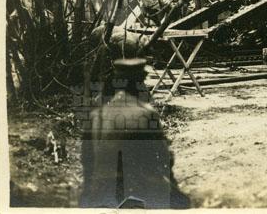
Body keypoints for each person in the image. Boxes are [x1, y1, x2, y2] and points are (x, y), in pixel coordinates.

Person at [80, 58, 190, 209]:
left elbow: (87, 160)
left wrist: (89, 192)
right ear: (139, 83)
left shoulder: (96, 115)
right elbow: (162, 156)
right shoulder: (146, 113)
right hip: (137, 189)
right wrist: (172, 185)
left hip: (102, 190)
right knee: (181, 203)